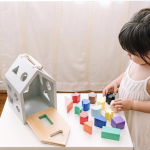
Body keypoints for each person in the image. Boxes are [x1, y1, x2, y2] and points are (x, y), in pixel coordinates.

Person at [103, 8, 150, 150]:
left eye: (132, 52)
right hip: (126, 115)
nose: (127, 54)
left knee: (136, 143)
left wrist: (133, 104)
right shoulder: (136, 61)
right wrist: (116, 82)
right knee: (123, 140)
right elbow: (127, 74)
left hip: (140, 123)